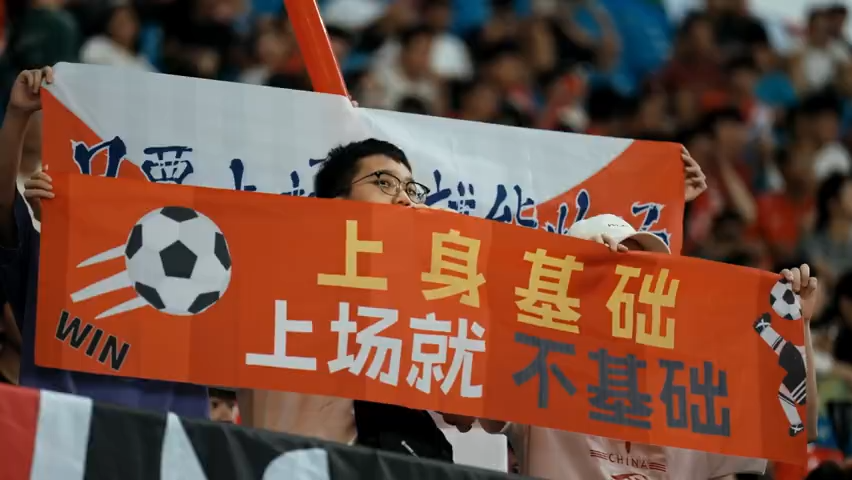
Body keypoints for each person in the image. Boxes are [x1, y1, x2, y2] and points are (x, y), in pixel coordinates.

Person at [480, 213, 819, 480]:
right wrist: (566, 279)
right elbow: (477, 406)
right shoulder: (539, 367)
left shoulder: (688, 385)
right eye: (613, 270)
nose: (632, 285)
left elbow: (800, 426)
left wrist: (798, 325)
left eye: (643, 270)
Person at [0, 67, 209, 418]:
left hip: (164, 440)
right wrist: (17, 115)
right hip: (59, 435)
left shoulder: (201, 276)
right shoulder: (46, 259)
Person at [237, 138, 460, 461]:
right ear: (336, 204)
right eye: (384, 183)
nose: (404, 199)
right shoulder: (278, 275)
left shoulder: (418, 296)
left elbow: (461, 413)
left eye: (411, 190)